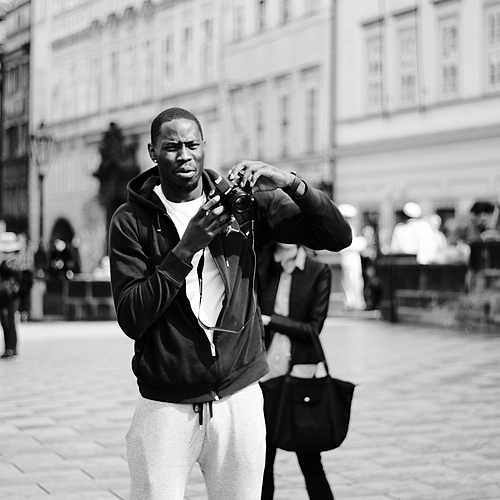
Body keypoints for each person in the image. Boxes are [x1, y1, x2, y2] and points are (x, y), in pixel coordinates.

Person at [108, 107, 352, 500]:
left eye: (193, 145)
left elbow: (337, 236)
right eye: (171, 147)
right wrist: (186, 247)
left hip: (239, 395)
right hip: (167, 401)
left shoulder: (241, 204)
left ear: (205, 146)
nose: (184, 155)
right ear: (153, 153)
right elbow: (132, 316)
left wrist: (289, 183)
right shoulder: (130, 220)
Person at [258, 241, 334, 500]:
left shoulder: (318, 270)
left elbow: (313, 328)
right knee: (262, 464)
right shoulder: (260, 264)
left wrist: (271, 320)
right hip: (263, 377)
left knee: (311, 462)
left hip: (301, 377)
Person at [338, 204, 367, 311]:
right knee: (352, 281)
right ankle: (353, 302)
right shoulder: (345, 228)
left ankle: (353, 302)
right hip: (349, 259)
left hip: (351, 259)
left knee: (353, 280)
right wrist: (363, 242)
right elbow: (350, 244)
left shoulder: (348, 227)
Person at [0, 232, 23, 359]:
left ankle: (12, 348)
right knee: (4, 322)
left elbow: (15, 275)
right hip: (1, 294)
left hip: (13, 295)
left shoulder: (16, 260)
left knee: (10, 321)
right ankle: (7, 348)